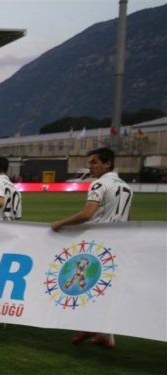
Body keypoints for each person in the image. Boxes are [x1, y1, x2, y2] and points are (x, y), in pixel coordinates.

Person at [51, 147, 132, 349]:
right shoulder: (126, 187)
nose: (90, 166)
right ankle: (106, 335)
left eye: (94, 162)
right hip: (119, 242)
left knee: (87, 284)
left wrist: (61, 223)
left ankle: (90, 326)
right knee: (106, 286)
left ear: (107, 164)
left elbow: (87, 214)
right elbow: (128, 218)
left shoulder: (100, 184)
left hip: (99, 242)